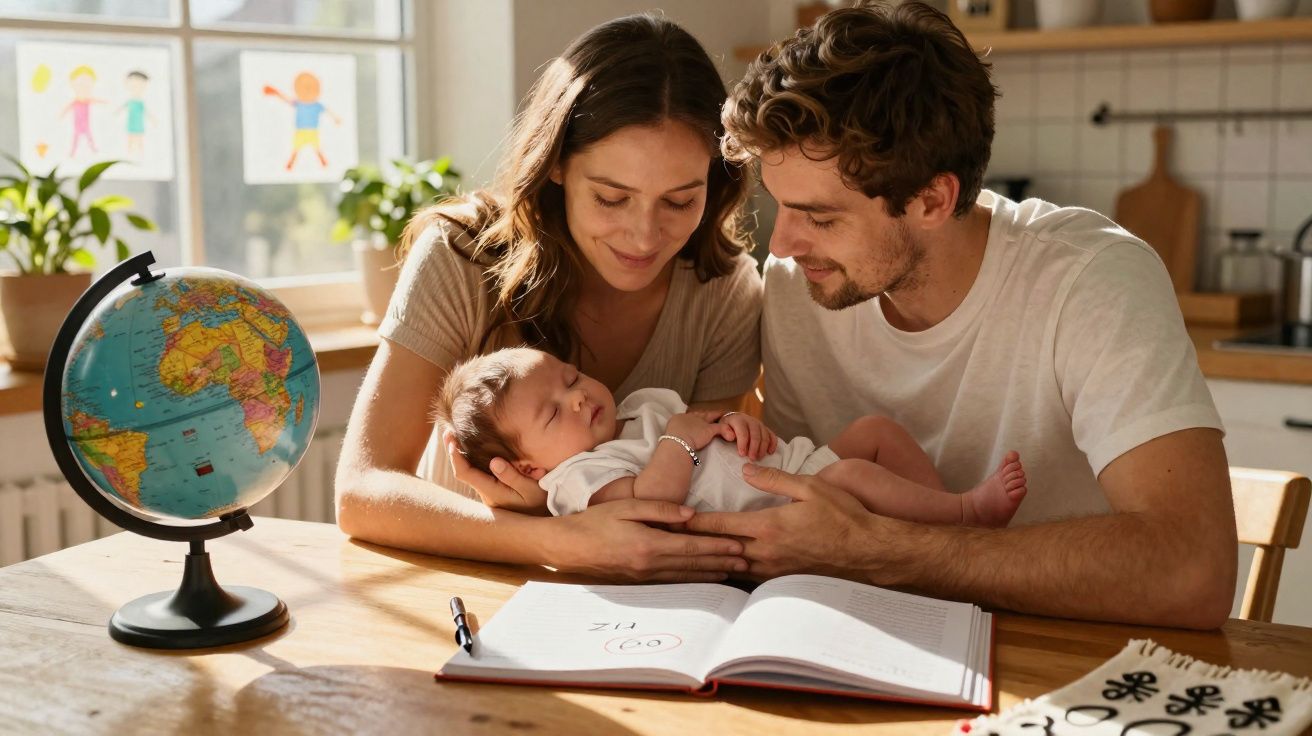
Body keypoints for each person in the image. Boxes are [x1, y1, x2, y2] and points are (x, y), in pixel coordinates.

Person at [686, 1, 1237, 629]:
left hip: (1069, 667)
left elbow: (1193, 572)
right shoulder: (798, 288)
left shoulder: (1091, 281)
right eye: (780, 206)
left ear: (932, 199)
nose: (780, 245)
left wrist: (881, 553)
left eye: (821, 218)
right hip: (871, 645)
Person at [335, 14, 762, 582]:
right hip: (463, 592)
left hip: (643, 613)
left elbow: (720, 493)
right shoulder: (461, 256)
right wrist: (554, 535)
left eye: (680, 202)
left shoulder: (723, 289)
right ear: (557, 164)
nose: (644, 236)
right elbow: (362, 492)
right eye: (612, 198)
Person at [433, 347, 1028, 524]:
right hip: (783, 504)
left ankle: (944, 519)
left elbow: (717, 433)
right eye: (553, 412)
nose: (580, 396)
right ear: (532, 468)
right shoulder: (574, 482)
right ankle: (965, 512)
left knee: (874, 433)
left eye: (570, 377)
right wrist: (680, 441)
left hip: (795, 464)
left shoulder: (644, 406)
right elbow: (654, 502)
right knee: (851, 476)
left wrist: (739, 426)